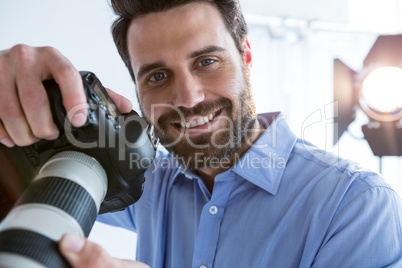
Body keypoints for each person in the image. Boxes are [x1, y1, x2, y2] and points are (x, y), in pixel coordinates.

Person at [0, 0, 401, 267]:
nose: (188, 99)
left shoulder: (356, 204)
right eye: (158, 76)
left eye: (207, 61)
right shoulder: (147, 182)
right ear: (136, 89)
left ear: (246, 57)